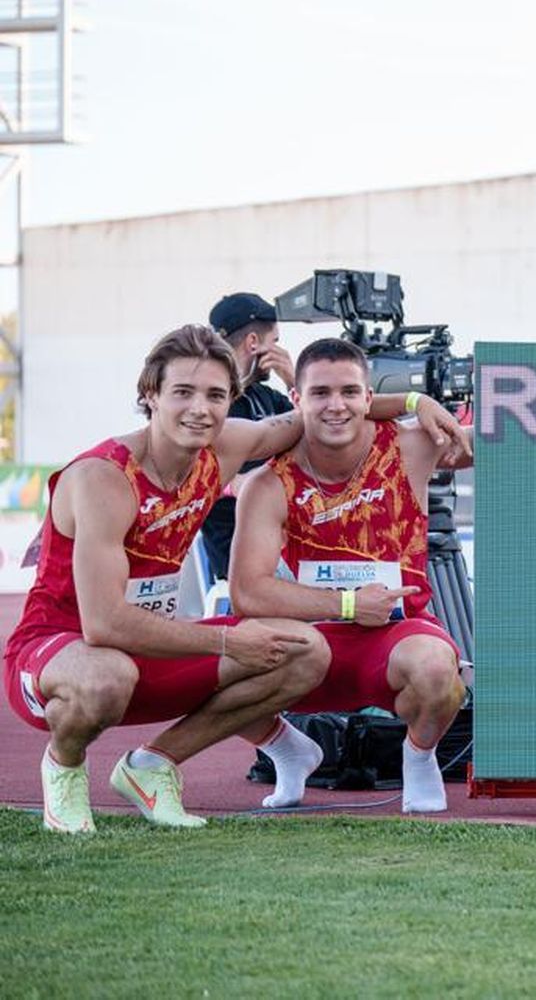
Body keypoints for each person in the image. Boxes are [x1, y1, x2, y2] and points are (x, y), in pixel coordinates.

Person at [2, 325, 472, 833]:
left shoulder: (226, 446)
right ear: (150, 394)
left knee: (302, 649)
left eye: (215, 395)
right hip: (64, 647)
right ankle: (64, 767)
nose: (199, 409)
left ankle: (155, 765)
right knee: (107, 675)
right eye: (183, 392)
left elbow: (328, 412)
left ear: (232, 400)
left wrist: (416, 401)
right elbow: (104, 625)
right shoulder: (103, 477)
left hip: (147, 647)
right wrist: (228, 640)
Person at [230, 337, 469, 813]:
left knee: (438, 670)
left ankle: (419, 757)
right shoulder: (268, 483)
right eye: (320, 393)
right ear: (296, 399)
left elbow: (507, 436)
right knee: (210, 663)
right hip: (310, 638)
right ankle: (287, 749)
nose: (335, 405)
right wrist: (348, 604)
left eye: (348, 392)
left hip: (395, 634)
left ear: (367, 397)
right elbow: (247, 593)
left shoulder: (409, 447)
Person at [198, 292, 297, 580]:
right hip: (241, 554)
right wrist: (235, 484)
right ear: (254, 342)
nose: (279, 350)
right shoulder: (205, 402)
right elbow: (184, 473)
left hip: (287, 544)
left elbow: (317, 434)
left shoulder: (266, 396)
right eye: (274, 341)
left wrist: (294, 380)